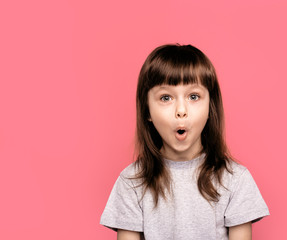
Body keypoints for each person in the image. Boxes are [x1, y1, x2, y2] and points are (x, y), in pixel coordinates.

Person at [100, 44, 269, 240]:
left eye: (193, 96)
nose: (181, 110)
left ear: (210, 107)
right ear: (147, 111)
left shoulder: (236, 180)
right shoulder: (131, 183)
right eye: (166, 97)